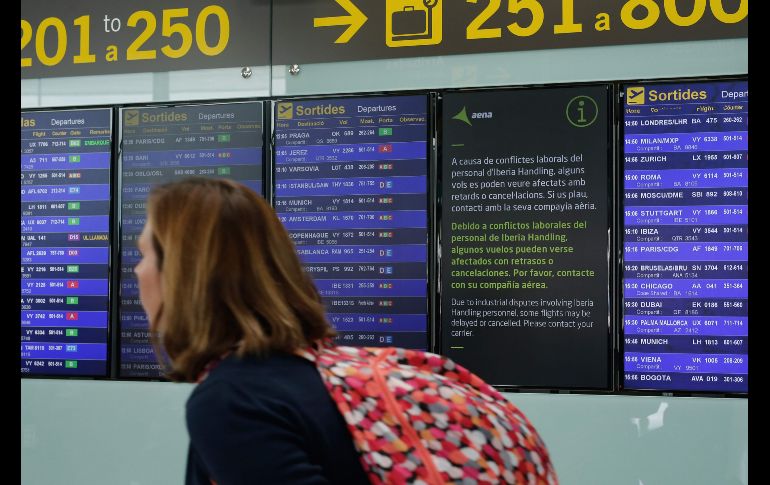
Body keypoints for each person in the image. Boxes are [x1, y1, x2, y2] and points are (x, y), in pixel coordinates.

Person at [133, 177, 371, 485]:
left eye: (144, 254)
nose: (138, 271)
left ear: (183, 273)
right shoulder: (314, 374)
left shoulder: (233, 401)